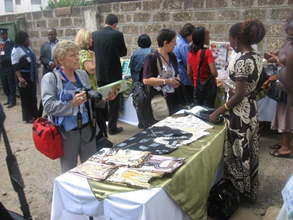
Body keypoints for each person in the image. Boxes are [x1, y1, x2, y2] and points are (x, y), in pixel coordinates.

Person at [210, 20, 266, 201]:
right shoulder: (256, 57)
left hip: (239, 112)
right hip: (250, 109)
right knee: (248, 148)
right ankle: (248, 189)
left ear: (236, 39)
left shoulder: (242, 61)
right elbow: (251, 87)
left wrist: (219, 111)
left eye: (230, 40)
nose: (230, 44)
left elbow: (239, 94)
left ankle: (239, 192)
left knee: (238, 150)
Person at [41, 40, 116, 173]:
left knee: (92, 169)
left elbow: (90, 100)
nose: (77, 58)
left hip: (88, 129)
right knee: (69, 171)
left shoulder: (82, 75)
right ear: (60, 59)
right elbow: (48, 106)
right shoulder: (50, 78)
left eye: (77, 54)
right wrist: (72, 104)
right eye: (72, 55)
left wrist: (104, 98)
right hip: (66, 133)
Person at [92, 14, 127, 135]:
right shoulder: (117, 35)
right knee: (114, 100)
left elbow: (92, 51)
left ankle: (101, 127)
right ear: (115, 24)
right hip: (113, 72)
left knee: (100, 99)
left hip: (99, 72)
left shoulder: (94, 35)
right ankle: (112, 127)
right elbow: (123, 52)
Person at [143, 28, 180, 123]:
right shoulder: (151, 57)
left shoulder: (172, 56)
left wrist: (177, 79)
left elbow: (176, 72)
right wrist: (167, 81)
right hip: (159, 99)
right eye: (173, 41)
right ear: (165, 43)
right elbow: (146, 80)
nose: (175, 44)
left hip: (173, 97)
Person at [11, 31, 39, 123]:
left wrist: (36, 65)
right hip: (23, 77)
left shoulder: (27, 48)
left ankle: (36, 114)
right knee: (25, 97)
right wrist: (20, 78)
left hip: (31, 76)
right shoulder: (16, 50)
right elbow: (15, 65)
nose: (28, 40)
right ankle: (28, 117)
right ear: (22, 40)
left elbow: (31, 59)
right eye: (27, 38)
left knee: (32, 96)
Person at [187, 27, 218, 108]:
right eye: (207, 36)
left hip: (196, 87)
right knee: (207, 112)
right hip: (208, 88)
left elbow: (188, 73)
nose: (209, 38)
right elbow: (214, 73)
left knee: (197, 111)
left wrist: (194, 82)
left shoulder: (190, 53)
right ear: (202, 38)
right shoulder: (207, 52)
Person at [38, 28, 59, 117]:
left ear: (56, 34)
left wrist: (56, 64)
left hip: (57, 69)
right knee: (46, 90)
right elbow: (42, 58)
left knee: (56, 89)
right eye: (49, 35)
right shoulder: (44, 45)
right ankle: (41, 113)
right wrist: (49, 63)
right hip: (47, 69)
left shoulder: (60, 44)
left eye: (52, 35)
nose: (50, 36)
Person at [173, 23, 195, 100]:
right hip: (184, 78)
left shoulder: (176, 41)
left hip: (176, 77)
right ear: (189, 35)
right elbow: (188, 63)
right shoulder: (185, 45)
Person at [0, 28, 16, 108]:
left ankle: (12, 101)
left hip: (9, 66)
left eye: (4, 34)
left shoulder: (11, 43)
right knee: (4, 85)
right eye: (1, 35)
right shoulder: (0, 44)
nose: (2, 36)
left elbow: (11, 55)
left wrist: (2, 60)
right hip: (2, 68)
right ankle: (9, 98)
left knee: (11, 84)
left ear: (7, 34)